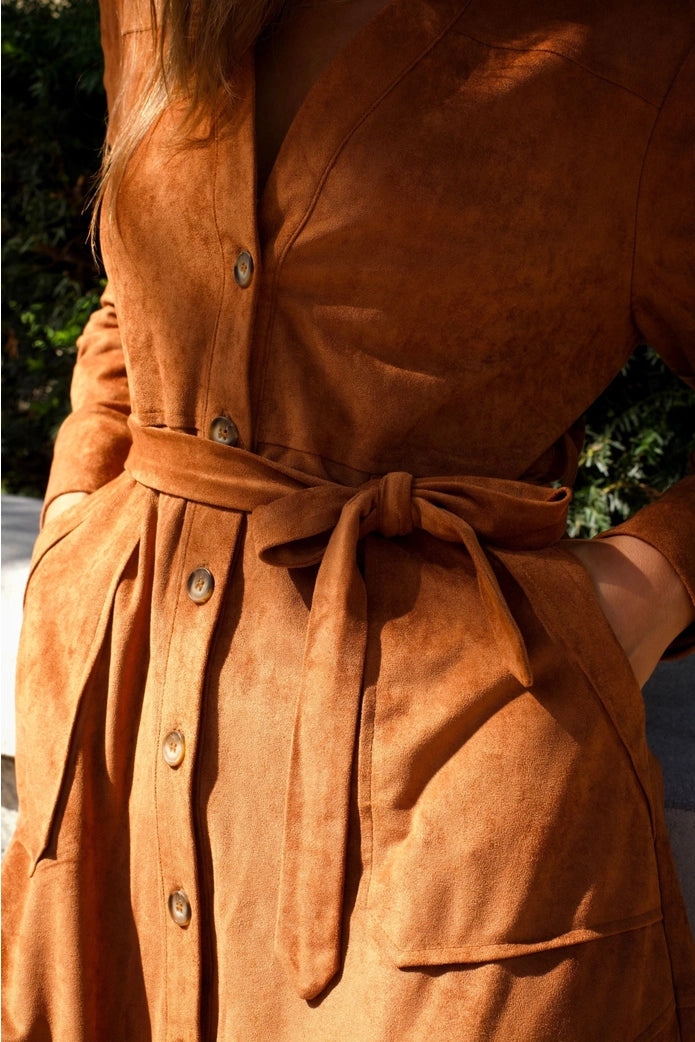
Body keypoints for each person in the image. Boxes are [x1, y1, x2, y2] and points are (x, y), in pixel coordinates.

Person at [3, 0, 695, 1038]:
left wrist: (652, 581)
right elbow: (135, 286)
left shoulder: (636, 46)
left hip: (453, 805)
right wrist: (75, 502)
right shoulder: (156, 10)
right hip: (120, 742)